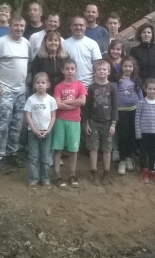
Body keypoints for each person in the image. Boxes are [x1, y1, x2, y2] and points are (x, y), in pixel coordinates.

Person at [0, 16, 33, 173]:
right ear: (10, 26)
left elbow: (28, 63)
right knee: (2, 123)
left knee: (17, 124)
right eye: (16, 25)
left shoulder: (26, 43)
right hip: (5, 91)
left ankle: (11, 153)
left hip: (20, 91)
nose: (19, 28)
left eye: (22, 26)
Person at [52, 59, 87, 188]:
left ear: (76, 70)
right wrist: (73, 103)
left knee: (73, 149)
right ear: (63, 70)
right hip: (60, 120)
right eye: (67, 69)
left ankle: (72, 174)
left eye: (72, 69)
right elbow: (57, 104)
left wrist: (65, 104)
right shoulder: (59, 87)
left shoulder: (80, 85)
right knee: (58, 148)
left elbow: (82, 102)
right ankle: (57, 175)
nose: (70, 71)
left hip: (74, 120)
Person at [85, 60, 118, 185]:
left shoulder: (112, 87)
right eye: (99, 69)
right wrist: (86, 123)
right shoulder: (92, 87)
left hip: (108, 122)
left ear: (108, 72)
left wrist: (114, 124)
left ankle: (106, 172)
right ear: (95, 72)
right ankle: (93, 172)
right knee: (93, 147)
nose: (101, 71)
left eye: (104, 69)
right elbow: (87, 107)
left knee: (107, 148)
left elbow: (115, 107)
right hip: (93, 121)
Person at [24, 72, 57, 189]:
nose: (40, 85)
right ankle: (33, 179)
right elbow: (28, 116)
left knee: (45, 157)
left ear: (48, 85)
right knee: (33, 156)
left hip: (47, 133)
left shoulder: (51, 100)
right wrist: (34, 130)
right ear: (34, 85)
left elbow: (53, 116)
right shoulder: (30, 100)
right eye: (38, 83)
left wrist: (48, 130)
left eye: (43, 83)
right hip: (33, 132)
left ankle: (45, 179)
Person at [116, 56, 143, 175]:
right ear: (121, 67)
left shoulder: (136, 80)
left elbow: (140, 95)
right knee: (123, 135)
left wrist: (142, 109)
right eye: (125, 66)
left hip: (134, 110)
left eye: (130, 66)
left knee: (132, 135)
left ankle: (128, 158)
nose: (128, 68)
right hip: (121, 111)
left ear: (133, 68)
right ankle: (121, 160)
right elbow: (113, 94)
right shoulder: (117, 80)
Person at [135, 78, 155, 185]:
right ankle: (144, 171)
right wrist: (138, 133)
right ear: (145, 89)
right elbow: (137, 119)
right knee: (143, 153)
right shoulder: (141, 103)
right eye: (150, 89)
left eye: (154, 89)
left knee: (153, 153)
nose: (152, 91)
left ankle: (152, 170)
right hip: (144, 134)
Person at [63, 16, 102, 88]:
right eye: (75, 25)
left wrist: (97, 85)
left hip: (89, 86)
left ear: (85, 27)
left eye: (81, 25)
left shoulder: (92, 43)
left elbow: (97, 66)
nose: (78, 27)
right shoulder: (64, 44)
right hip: (70, 86)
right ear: (71, 27)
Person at [31, 30, 70, 96]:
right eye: (50, 40)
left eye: (56, 40)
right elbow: (35, 78)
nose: (53, 42)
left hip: (62, 93)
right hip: (45, 94)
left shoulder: (65, 57)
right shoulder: (39, 58)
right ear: (45, 42)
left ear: (59, 43)